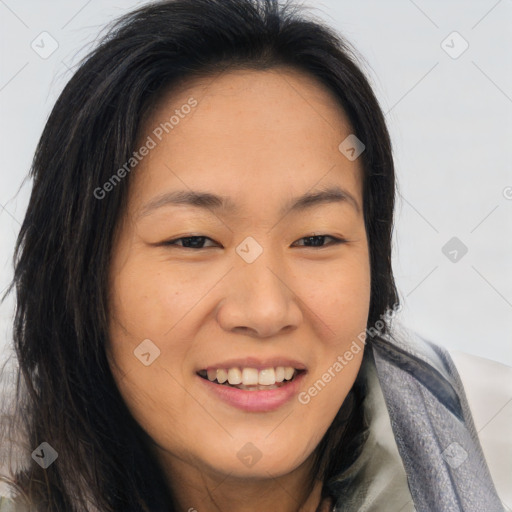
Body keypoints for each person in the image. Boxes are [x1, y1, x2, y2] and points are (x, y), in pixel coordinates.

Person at [0, 0, 509, 511]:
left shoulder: (494, 454)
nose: (265, 311)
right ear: (76, 274)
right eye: (194, 241)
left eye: (316, 239)